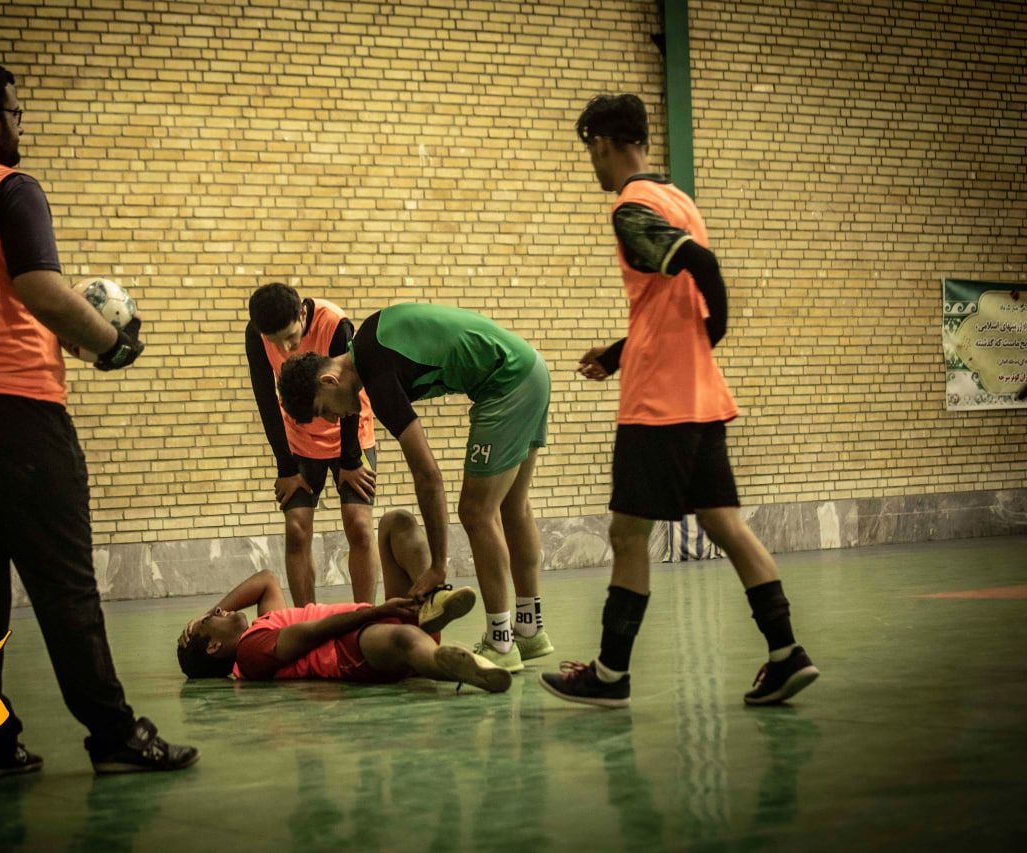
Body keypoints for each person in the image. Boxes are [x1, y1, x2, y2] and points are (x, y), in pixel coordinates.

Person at [0, 60, 197, 777]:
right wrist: (110, 343)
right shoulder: (11, 189)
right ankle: (114, 738)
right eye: (16, 111)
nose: (20, 124)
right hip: (19, 414)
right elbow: (40, 288)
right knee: (64, 583)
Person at [540, 93, 819, 708]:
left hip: (659, 405)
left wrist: (716, 326)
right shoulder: (678, 200)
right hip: (701, 396)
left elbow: (700, 265)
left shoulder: (630, 207)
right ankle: (787, 654)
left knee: (628, 534)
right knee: (725, 524)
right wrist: (620, 352)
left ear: (602, 144)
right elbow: (671, 300)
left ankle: (610, 674)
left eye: (591, 150)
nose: (593, 163)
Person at [277, 303, 553, 672]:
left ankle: (501, 642)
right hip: (532, 369)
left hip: (508, 383)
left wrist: (438, 565)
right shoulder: (370, 340)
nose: (332, 418)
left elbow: (428, 476)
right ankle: (530, 629)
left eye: (323, 409)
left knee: (476, 512)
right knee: (513, 505)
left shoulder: (376, 374)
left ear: (329, 381)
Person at [178, 510, 509, 693]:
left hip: (367, 621)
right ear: (213, 647)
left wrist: (203, 616)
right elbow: (314, 632)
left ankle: (433, 604)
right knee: (404, 637)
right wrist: (376, 611)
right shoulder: (250, 654)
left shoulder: (263, 625)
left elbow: (265, 580)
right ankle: (455, 667)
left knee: (397, 523)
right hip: (349, 648)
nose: (220, 610)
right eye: (211, 620)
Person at [246, 282, 379, 605]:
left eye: (291, 336)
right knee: (296, 529)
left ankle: (365, 615)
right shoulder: (257, 334)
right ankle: (308, 620)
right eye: (275, 341)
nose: (286, 348)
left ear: (302, 314)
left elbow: (349, 385)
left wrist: (350, 460)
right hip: (300, 440)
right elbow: (266, 399)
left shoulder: (334, 323)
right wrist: (286, 467)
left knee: (359, 524)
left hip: (351, 434)